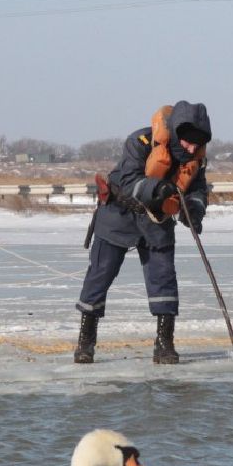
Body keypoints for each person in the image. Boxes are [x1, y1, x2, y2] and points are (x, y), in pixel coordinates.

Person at [73, 101, 212, 365]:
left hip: (157, 221)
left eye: (198, 144)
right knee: (99, 276)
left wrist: (194, 210)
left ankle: (164, 344)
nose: (192, 149)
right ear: (176, 133)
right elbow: (128, 181)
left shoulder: (197, 159)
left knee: (164, 279)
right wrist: (155, 189)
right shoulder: (139, 142)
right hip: (118, 215)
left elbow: (198, 189)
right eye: (188, 143)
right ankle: (85, 342)